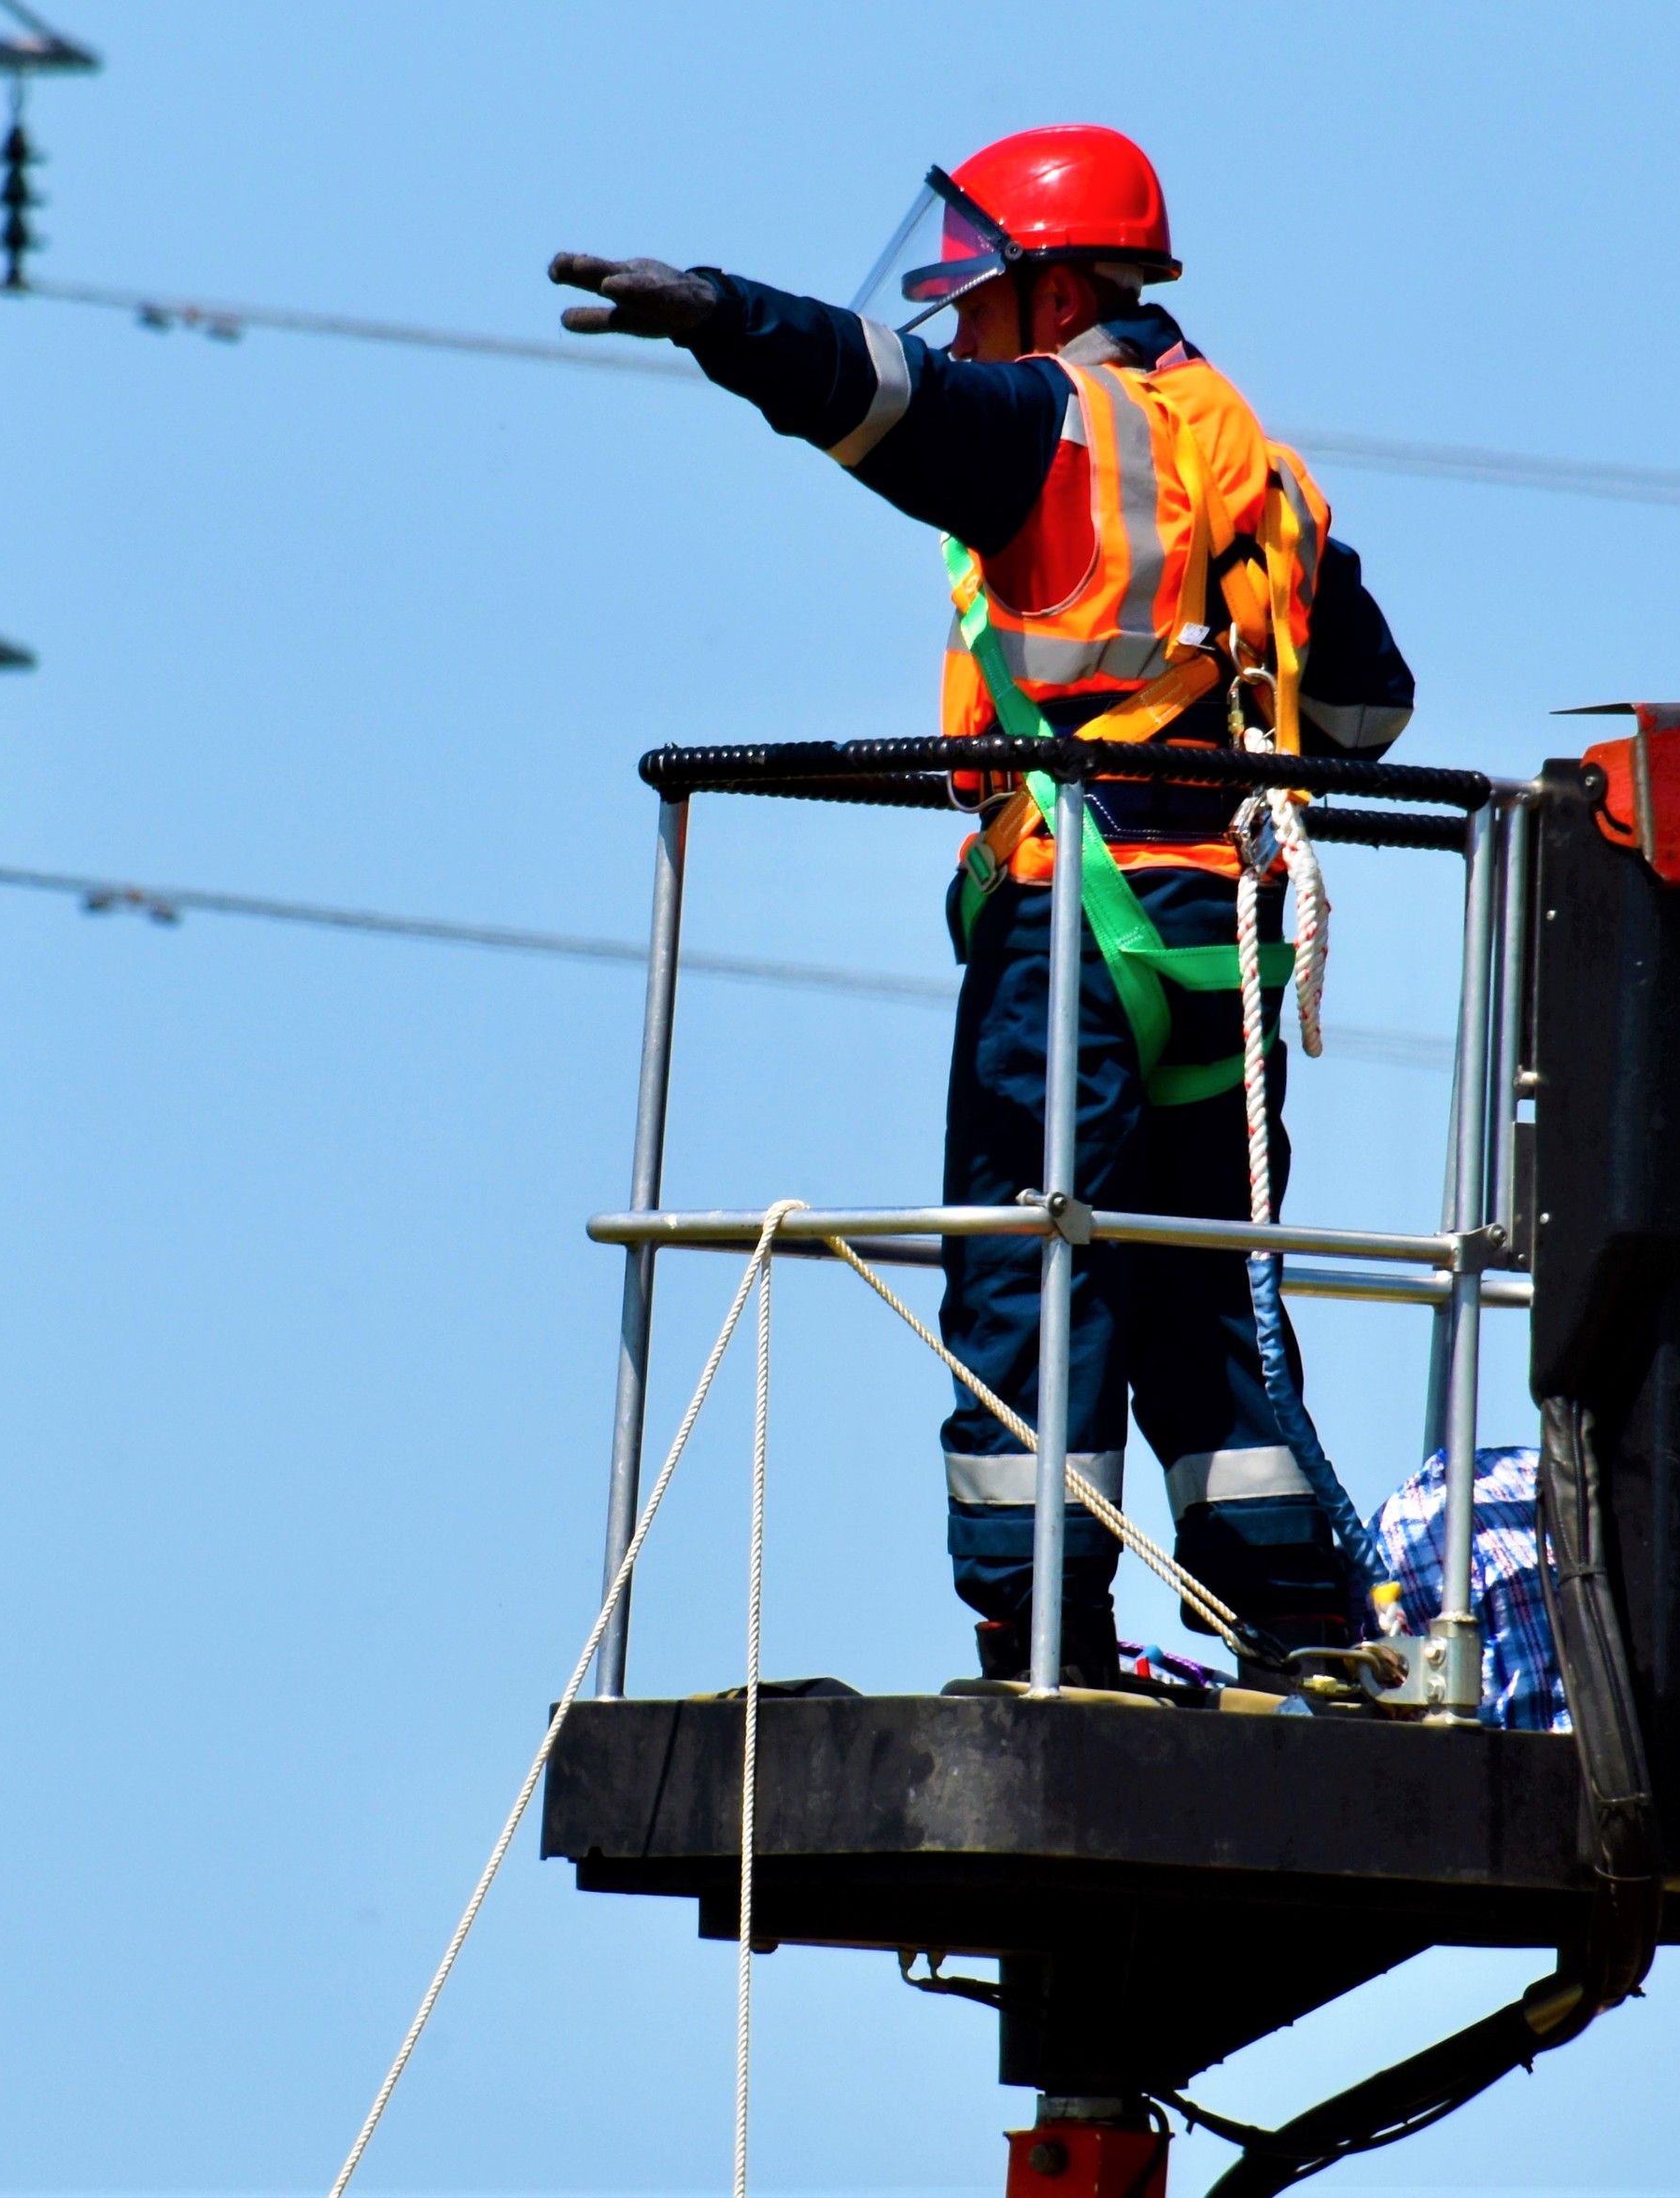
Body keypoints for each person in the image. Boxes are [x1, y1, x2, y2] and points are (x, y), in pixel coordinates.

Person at [549, 124, 1418, 1691]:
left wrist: (720, 315)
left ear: (1059, 286)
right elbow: (1365, 714)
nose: (957, 321)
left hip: (1073, 919)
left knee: (1031, 1268)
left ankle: (1045, 1637)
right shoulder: (1249, 454)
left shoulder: (1057, 424)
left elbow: (887, 396)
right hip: (1229, 928)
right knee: (1200, 1292)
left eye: (980, 291)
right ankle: (1302, 1625)